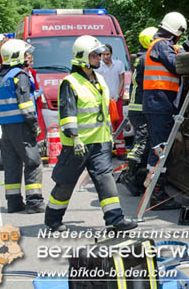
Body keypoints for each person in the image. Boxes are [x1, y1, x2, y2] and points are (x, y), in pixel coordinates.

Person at [44, 35, 137, 232]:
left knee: (105, 180)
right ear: (84, 57)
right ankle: (52, 218)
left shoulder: (99, 79)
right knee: (66, 183)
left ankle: (115, 219)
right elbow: (67, 114)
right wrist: (75, 137)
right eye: (95, 54)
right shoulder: (70, 82)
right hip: (77, 144)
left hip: (101, 142)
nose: (100, 57)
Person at [143, 12, 189, 210]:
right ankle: (156, 195)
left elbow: (181, 51)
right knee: (160, 150)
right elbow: (177, 64)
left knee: (159, 148)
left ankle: (155, 191)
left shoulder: (163, 45)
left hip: (159, 104)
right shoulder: (160, 45)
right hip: (159, 105)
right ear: (176, 32)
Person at [0, 39, 44, 213]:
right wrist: (34, 125)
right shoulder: (19, 76)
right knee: (33, 162)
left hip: (7, 128)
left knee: (12, 164)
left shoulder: (2, 77)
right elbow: (26, 105)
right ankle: (34, 202)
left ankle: (14, 202)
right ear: (17, 56)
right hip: (21, 125)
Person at [121, 26, 157, 196]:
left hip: (139, 108)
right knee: (141, 144)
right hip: (140, 109)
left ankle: (137, 176)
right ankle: (130, 176)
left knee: (145, 143)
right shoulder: (146, 59)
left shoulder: (141, 57)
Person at [97, 44, 127, 158]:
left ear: (111, 53)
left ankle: (121, 151)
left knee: (118, 123)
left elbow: (121, 80)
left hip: (116, 100)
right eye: (103, 54)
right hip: (103, 100)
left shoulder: (118, 64)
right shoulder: (98, 67)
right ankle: (106, 151)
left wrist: (118, 95)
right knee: (104, 124)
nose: (105, 57)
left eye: (107, 54)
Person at [24, 51, 46, 142]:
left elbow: (37, 85)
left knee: (39, 125)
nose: (32, 63)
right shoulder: (21, 74)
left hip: (36, 103)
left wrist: (39, 93)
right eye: (30, 61)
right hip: (28, 104)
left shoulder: (32, 72)